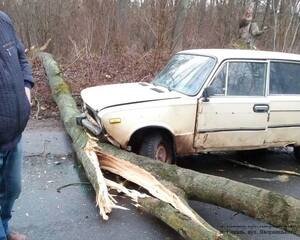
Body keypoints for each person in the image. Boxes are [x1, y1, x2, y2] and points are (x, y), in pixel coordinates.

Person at [0, 11, 33, 240]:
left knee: (12, 189)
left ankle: (4, 226)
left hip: (14, 134)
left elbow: (22, 58)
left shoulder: (3, 20)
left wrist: (27, 87)